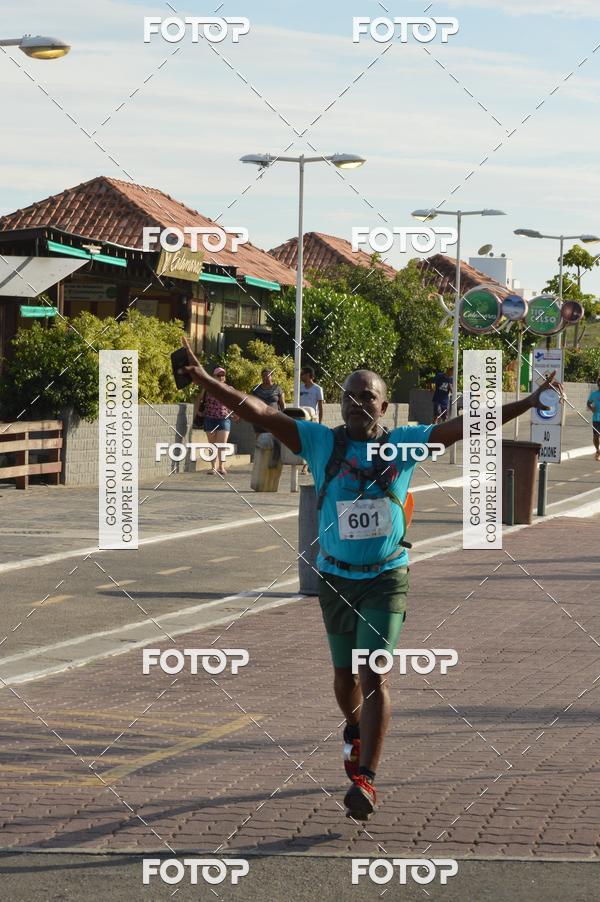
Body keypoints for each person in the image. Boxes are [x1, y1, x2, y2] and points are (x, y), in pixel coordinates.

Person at [180, 337, 562, 821]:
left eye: (367, 398)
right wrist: (206, 381)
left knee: (372, 672)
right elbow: (258, 412)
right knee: (344, 678)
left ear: (383, 406)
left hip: (386, 576)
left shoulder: (403, 443)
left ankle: (367, 779)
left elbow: (465, 427)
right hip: (336, 579)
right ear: (340, 405)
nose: (358, 404)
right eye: (349, 397)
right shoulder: (321, 441)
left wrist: (527, 402)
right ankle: (355, 726)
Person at [197, 366, 238, 476]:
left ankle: (221, 467)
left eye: (223, 375)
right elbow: (200, 399)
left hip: (224, 418)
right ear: (213, 376)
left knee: (222, 444)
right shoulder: (207, 388)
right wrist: (198, 411)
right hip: (210, 418)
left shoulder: (229, 388)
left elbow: (234, 403)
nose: (221, 377)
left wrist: (235, 414)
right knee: (212, 444)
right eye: (218, 375)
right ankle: (213, 467)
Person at [251, 368, 286, 464]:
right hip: (259, 417)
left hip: (273, 418)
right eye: (263, 376)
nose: (265, 377)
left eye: (267, 375)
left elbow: (282, 404)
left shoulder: (277, 388)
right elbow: (251, 401)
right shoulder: (256, 388)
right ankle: (259, 460)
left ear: (271, 376)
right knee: (259, 439)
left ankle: (274, 459)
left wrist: (284, 417)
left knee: (274, 438)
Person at [299, 366, 324, 475]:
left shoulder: (317, 389)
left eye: (303, 374)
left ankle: (306, 466)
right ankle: (308, 464)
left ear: (309, 375)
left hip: (312, 419)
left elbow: (320, 406)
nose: (301, 376)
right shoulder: (300, 388)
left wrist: (320, 422)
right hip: (301, 419)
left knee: (310, 443)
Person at [586, 375, 600, 461]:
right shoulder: (594, 394)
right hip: (596, 419)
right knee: (596, 436)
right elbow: (588, 403)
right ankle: (597, 451)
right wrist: (591, 408)